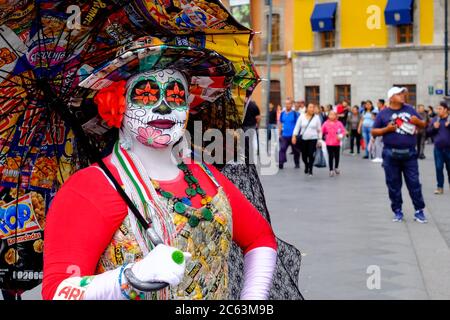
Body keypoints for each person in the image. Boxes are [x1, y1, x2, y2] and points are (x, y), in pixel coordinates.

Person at [42, 37, 277, 300]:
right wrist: (130, 278)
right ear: (117, 103)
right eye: (146, 94)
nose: (163, 107)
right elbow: (57, 293)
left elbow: (261, 238)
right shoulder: (90, 188)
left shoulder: (206, 176)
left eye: (176, 95)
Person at [372, 87, 428, 223]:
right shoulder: (383, 113)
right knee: (393, 184)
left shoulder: (410, 109)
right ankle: (397, 211)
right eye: (399, 94)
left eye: (403, 93)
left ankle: (419, 211)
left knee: (414, 183)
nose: (403, 95)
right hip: (390, 154)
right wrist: (387, 129)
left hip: (409, 153)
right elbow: (374, 132)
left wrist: (417, 122)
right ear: (391, 97)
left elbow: (423, 124)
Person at [426, 101, 450, 195]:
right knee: (439, 168)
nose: (438, 110)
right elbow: (427, 133)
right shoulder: (435, 120)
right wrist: (434, 128)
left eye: (440, 109)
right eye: (437, 109)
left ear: (446, 110)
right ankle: (440, 187)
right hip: (438, 149)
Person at [292, 103, 322, 176]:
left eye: (313, 107)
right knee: (304, 156)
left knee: (311, 154)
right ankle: (306, 164)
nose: (312, 109)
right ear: (307, 108)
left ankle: (310, 170)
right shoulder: (301, 116)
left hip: (313, 138)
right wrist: (294, 136)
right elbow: (297, 127)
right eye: (310, 107)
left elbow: (319, 130)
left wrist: (320, 139)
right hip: (303, 139)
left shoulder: (317, 117)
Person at [322, 111, 347, 177]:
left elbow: (343, 131)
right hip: (329, 143)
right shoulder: (325, 123)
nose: (332, 116)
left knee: (337, 156)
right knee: (330, 156)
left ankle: (336, 167)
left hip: (337, 143)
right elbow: (322, 131)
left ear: (336, 116)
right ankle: (331, 170)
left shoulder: (339, 123)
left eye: (333, 115)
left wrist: (341, 135)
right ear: (328, 116)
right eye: (330, 114)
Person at [278, 98, 300, 169]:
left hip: (293, 136)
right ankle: (281, 163)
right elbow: (280, 123)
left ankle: (297, 163)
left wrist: (296, 135)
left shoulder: (295, 114)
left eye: (289, 104)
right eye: (286, 104)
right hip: (284, 135)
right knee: (282, 149)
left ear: (291, 104)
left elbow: (298, 125)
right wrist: (279, 133)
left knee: (295, 150)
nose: (287, 105)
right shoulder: (282, 113)